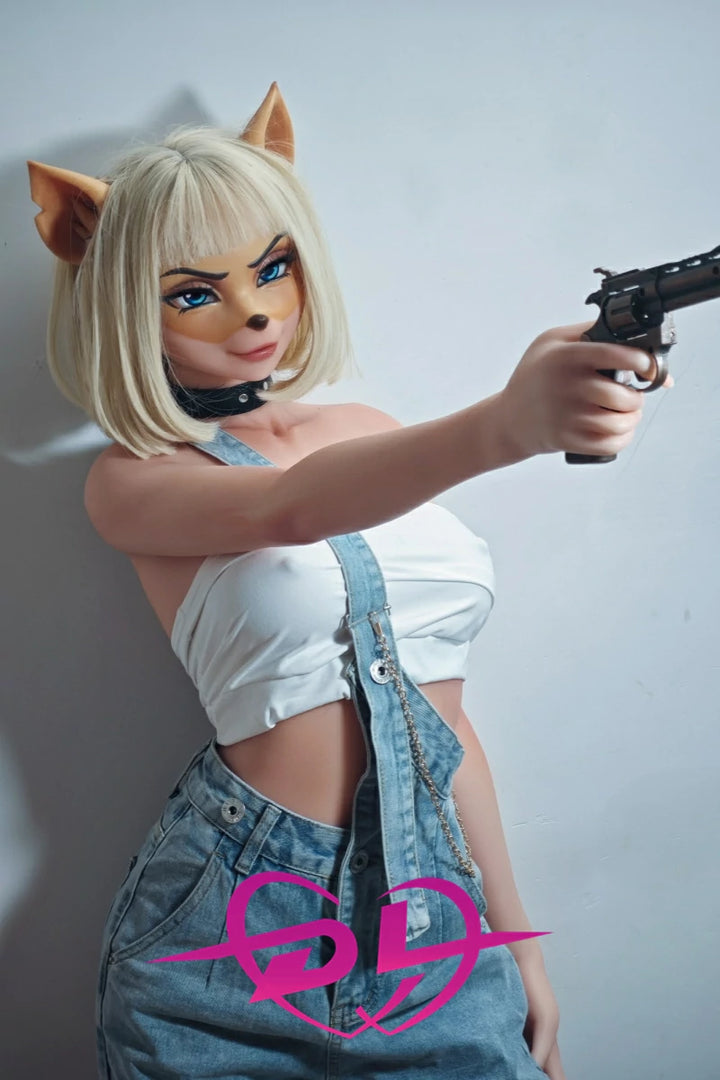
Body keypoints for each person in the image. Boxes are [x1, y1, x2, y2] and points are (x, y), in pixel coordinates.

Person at [28, 82, 670, 1080]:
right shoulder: (132, 479)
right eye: (192, 292)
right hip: (235, 923)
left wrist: (518, 941)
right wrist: (506, 425)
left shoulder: (367, 431)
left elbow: (443, 719)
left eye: (272, 268)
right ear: (123, 309)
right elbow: (288, 509)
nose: (253, 310)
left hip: (434, 909)